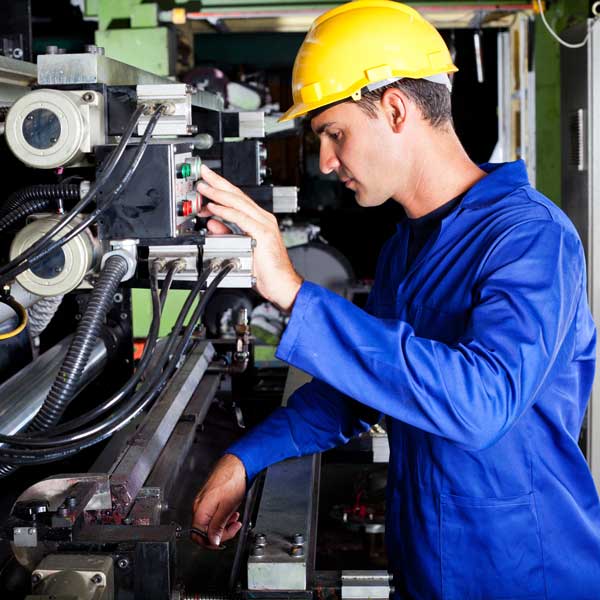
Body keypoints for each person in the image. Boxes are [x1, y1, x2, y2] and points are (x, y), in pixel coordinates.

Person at [191, 1, 600, 597]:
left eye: (335, 133)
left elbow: (480, 404)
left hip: (526, 575)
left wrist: (293, 292)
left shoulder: (530, 237)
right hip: (426, 572)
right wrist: (244, 459)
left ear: (395, 108)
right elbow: (358, 391)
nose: (327, 163)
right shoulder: (405, 247)